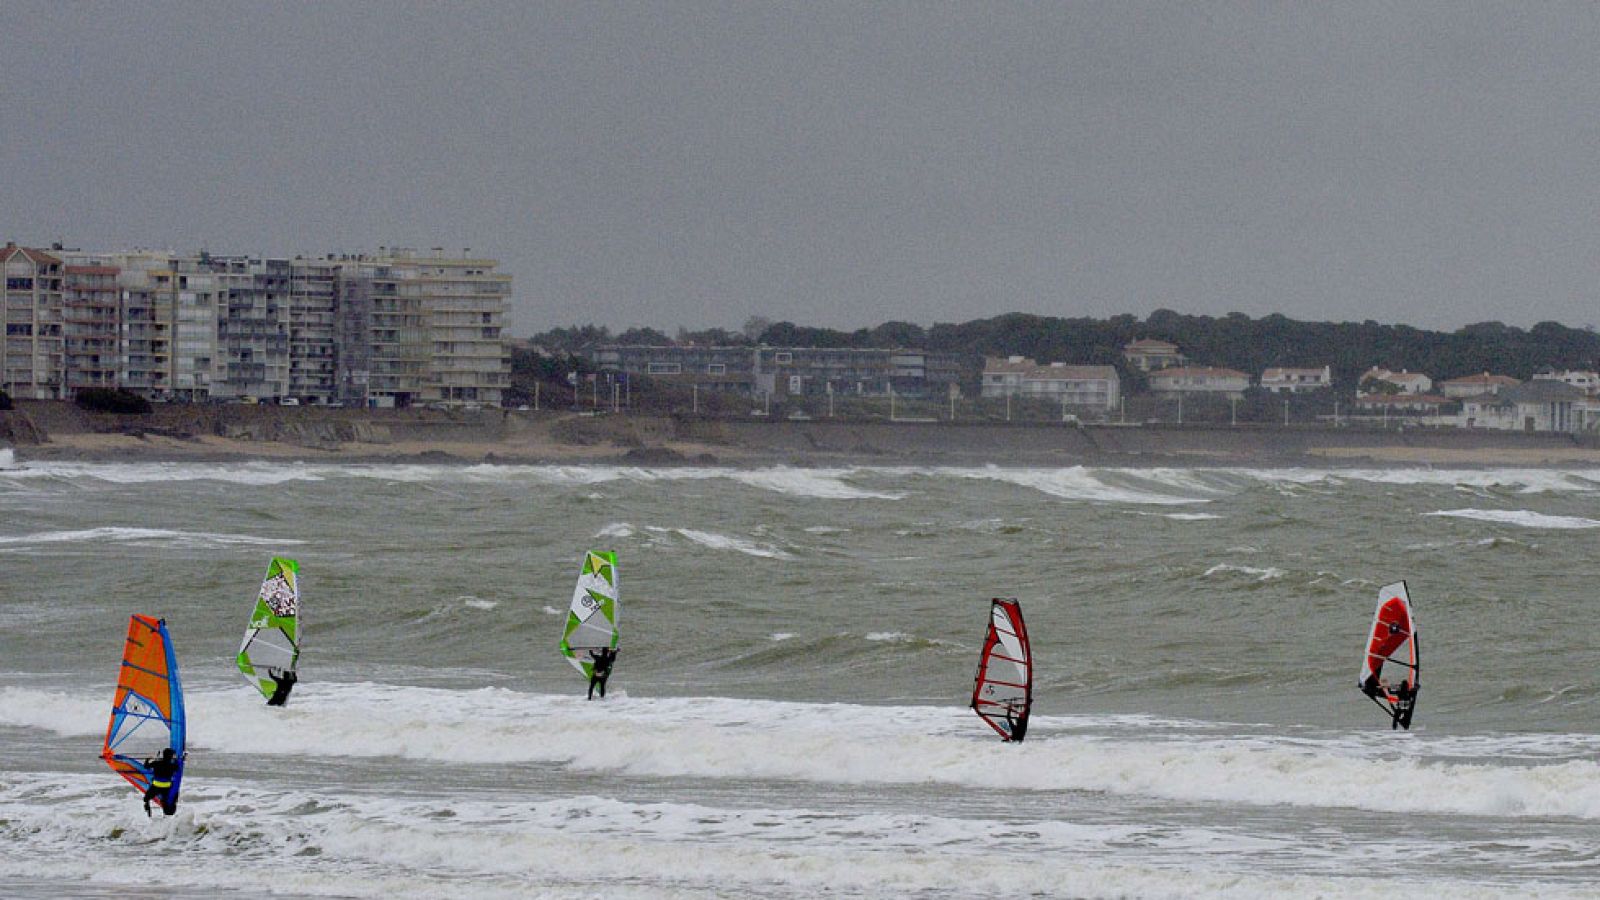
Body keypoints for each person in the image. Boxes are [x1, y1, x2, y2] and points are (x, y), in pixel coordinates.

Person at [141, 747, 181, 817]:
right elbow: (177, 768)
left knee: (146, 799)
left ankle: (148, 813)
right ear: (171, 756)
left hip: (156, 787)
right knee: (166, 803)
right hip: (166, 788)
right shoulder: (172, 765)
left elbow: (146, 766)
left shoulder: (156, 763)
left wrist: (147, 760)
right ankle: (167, 814)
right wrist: (177, 760)